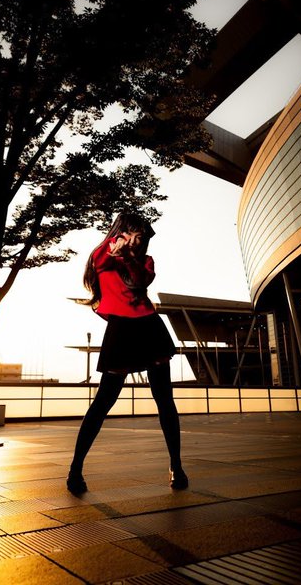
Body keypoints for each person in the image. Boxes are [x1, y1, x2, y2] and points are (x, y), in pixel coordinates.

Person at [67, 212, 188, 495]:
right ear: (120, 231)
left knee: (165, 401)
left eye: (141, 237)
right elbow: (100, 261)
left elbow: (139, 282)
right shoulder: (102, 254)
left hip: (149, 327)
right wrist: (116, 250)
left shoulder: (145, 261)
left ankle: (177, 465)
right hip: (121, 330)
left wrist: (128, 258)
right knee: (103, 402)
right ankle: (75, 468)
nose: (137, 240)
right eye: (132, 233)